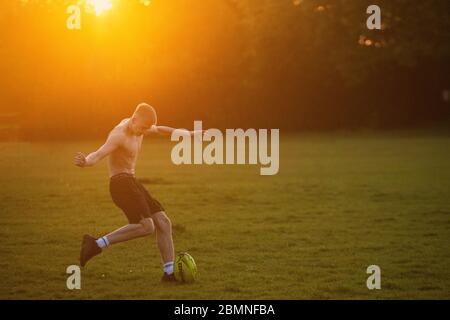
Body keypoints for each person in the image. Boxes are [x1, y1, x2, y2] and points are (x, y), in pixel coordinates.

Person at [74, 102, 201, 282]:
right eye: (142, 128)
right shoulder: (119, 135)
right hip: (120, 185)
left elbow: (161, 130)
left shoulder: (140, 126)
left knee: (163, 222)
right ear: (134, 119)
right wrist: (85, 161)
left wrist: (189, 134)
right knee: (147, 226)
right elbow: (99, 153)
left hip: (132, 182)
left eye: (145, 129)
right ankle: (96, 244)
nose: (143, 132)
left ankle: (169, 273)